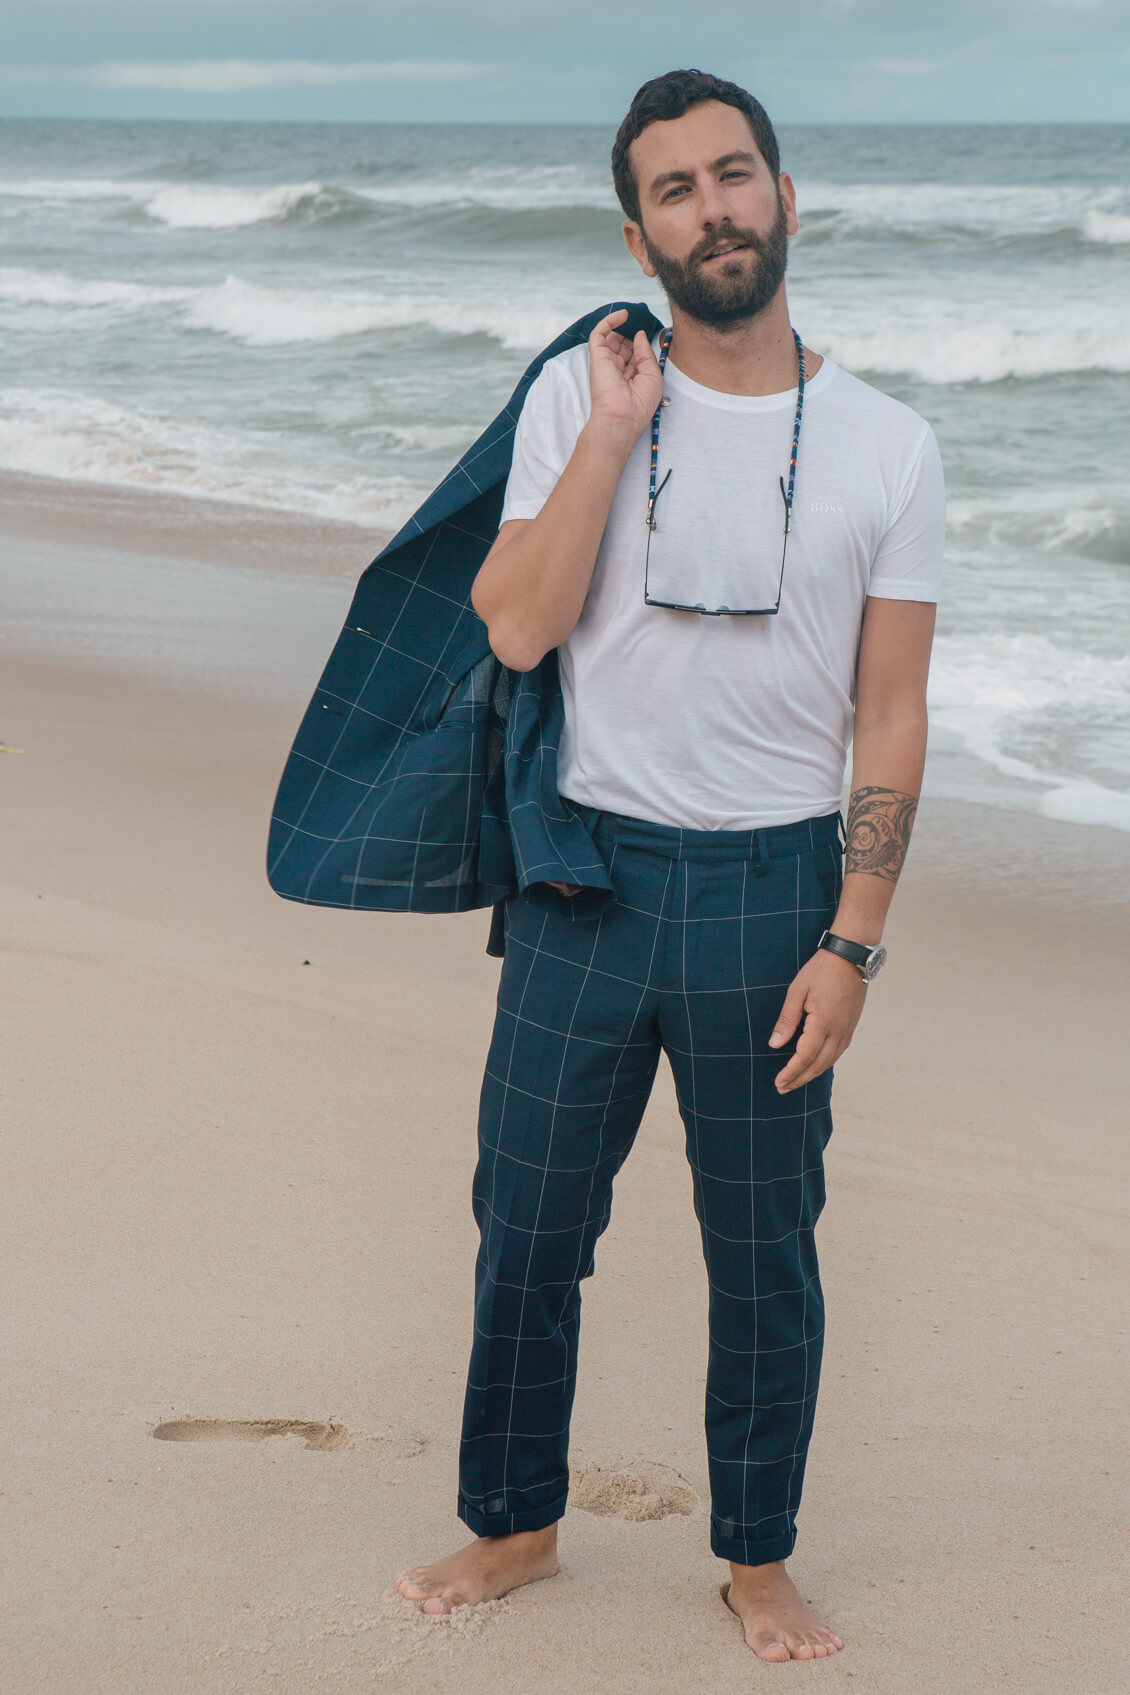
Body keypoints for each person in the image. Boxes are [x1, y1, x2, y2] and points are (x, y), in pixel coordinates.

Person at [391, 68, 945, 1662]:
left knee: (761, 1253)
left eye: (733, 173)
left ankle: (756, 1557)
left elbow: (889, 713)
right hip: (586, 880)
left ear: (785, 195)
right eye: (676, 190)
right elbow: (516, 625)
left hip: (775, 895)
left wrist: (852, 939)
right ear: (638, 238)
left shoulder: (890, 445)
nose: (714, 208)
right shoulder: (582, 398)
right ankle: (513, 1524)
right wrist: (613, 431)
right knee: (527, 1227)